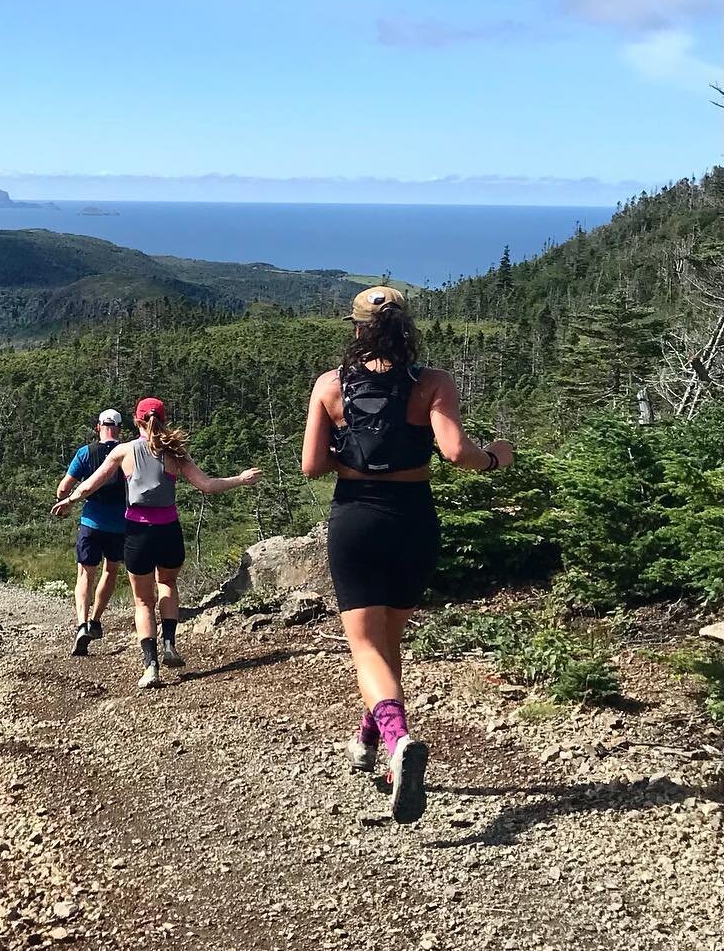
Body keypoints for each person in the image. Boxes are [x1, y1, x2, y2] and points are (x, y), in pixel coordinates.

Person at [302, 285, 515, 824]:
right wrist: (496, 457)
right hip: (414, 519)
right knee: (388, 641)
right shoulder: (433, 382)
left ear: (356, 328)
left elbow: (310, 467)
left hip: (356, 517)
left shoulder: (330, 385)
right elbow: (456, 453)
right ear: (406, 328)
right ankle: (370, 739)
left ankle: (396, 741)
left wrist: (344, 449)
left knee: (365, 648)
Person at [52, 397, 262, 689]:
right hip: (169, 531)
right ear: (163, 419)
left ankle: (151, 667)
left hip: (137, 533)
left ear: (137, 422)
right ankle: (169, 644)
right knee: (168, 585)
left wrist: (70, 500)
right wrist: (241, 479)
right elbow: (208, 486)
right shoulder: (176, 453)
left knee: (143, 601)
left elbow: (90, 484)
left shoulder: (123, 451)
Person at [56, 408, 128, 657]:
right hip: (120, 524)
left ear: (98, 427)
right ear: (119, 429)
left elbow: (64, 488)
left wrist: (64, 499)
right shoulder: (126, 453)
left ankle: (81, 624)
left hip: (91, 523)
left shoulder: (85, 453)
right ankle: (96, 619)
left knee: (85, 574)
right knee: (111, 569)